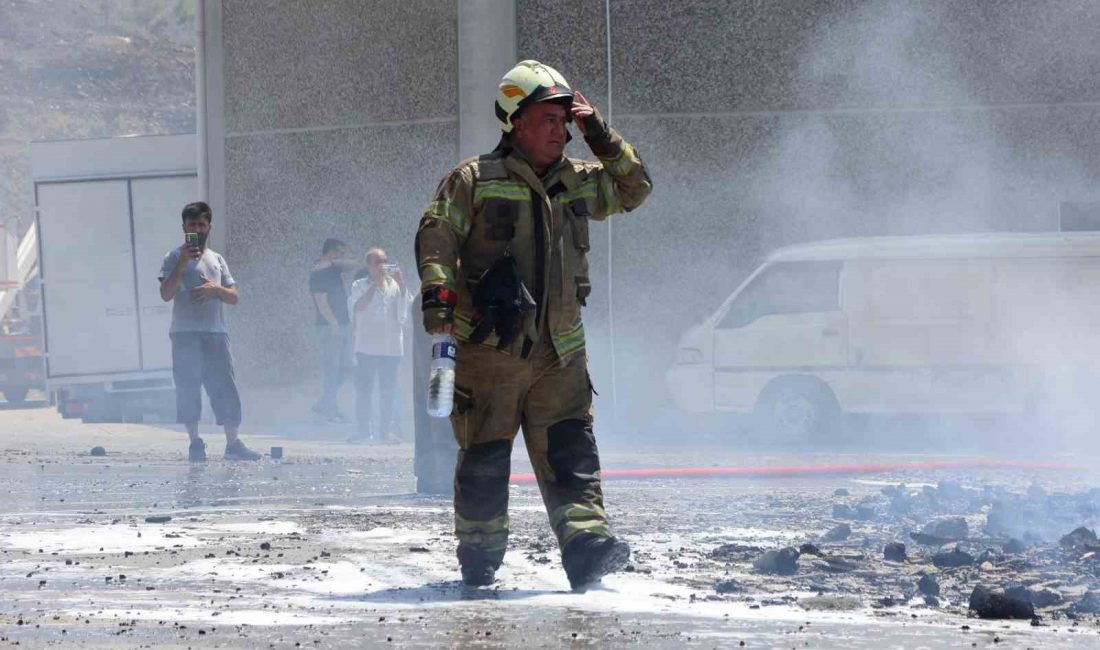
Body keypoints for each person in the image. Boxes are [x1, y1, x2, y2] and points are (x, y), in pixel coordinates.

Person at [414, 60, 652, 590]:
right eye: (549, 118)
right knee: (485, 459)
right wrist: (439, 304)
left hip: (560, 353)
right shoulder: (473, 180)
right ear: (516, 123)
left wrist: (600, 133)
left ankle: (587, 548)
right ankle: (478, 559)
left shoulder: (577, 181)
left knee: (571, 453)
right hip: (490, 353)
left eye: (566, 120)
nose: (561, 130)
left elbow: (635, 187)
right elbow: (438, 237)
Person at [159, 201, 260, 461]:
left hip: (215, 333)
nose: (197, 229)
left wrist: (215, 290)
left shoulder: (217, 259)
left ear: (209, 226)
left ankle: (233, 443)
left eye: (201, 224)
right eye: (192, 224)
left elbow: (234, 297)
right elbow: (166, 294)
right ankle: (194, 442)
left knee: (225, 386)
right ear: (184, 227)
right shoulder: (172, 257)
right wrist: (182, 264)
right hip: (184, 334)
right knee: (188, 386)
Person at [346, 248, 414, 442]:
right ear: (368, 266)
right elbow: (357, 308)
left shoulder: (394, 284)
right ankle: (363, 432)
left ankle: (384, 432)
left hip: (391, 347)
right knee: (364, 391)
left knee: (388, 392)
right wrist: (375, 285)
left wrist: (401, 284)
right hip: (366, 346)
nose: (381, 265)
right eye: (377, 262)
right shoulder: (359, 284)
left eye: (384, 260)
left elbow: (405, 311)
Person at [309, 238, 357, 422]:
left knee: (347, 366)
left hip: (342, 325)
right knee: (332, 370)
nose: (344, 256)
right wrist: (334, 325)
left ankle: (324, 403)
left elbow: (354, 263)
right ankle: (330, 410)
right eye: (341, 252)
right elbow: (321, 302)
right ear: (333, 251)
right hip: (329, 327)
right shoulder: (319, 272)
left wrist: (331, 261)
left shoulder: (332, 267)